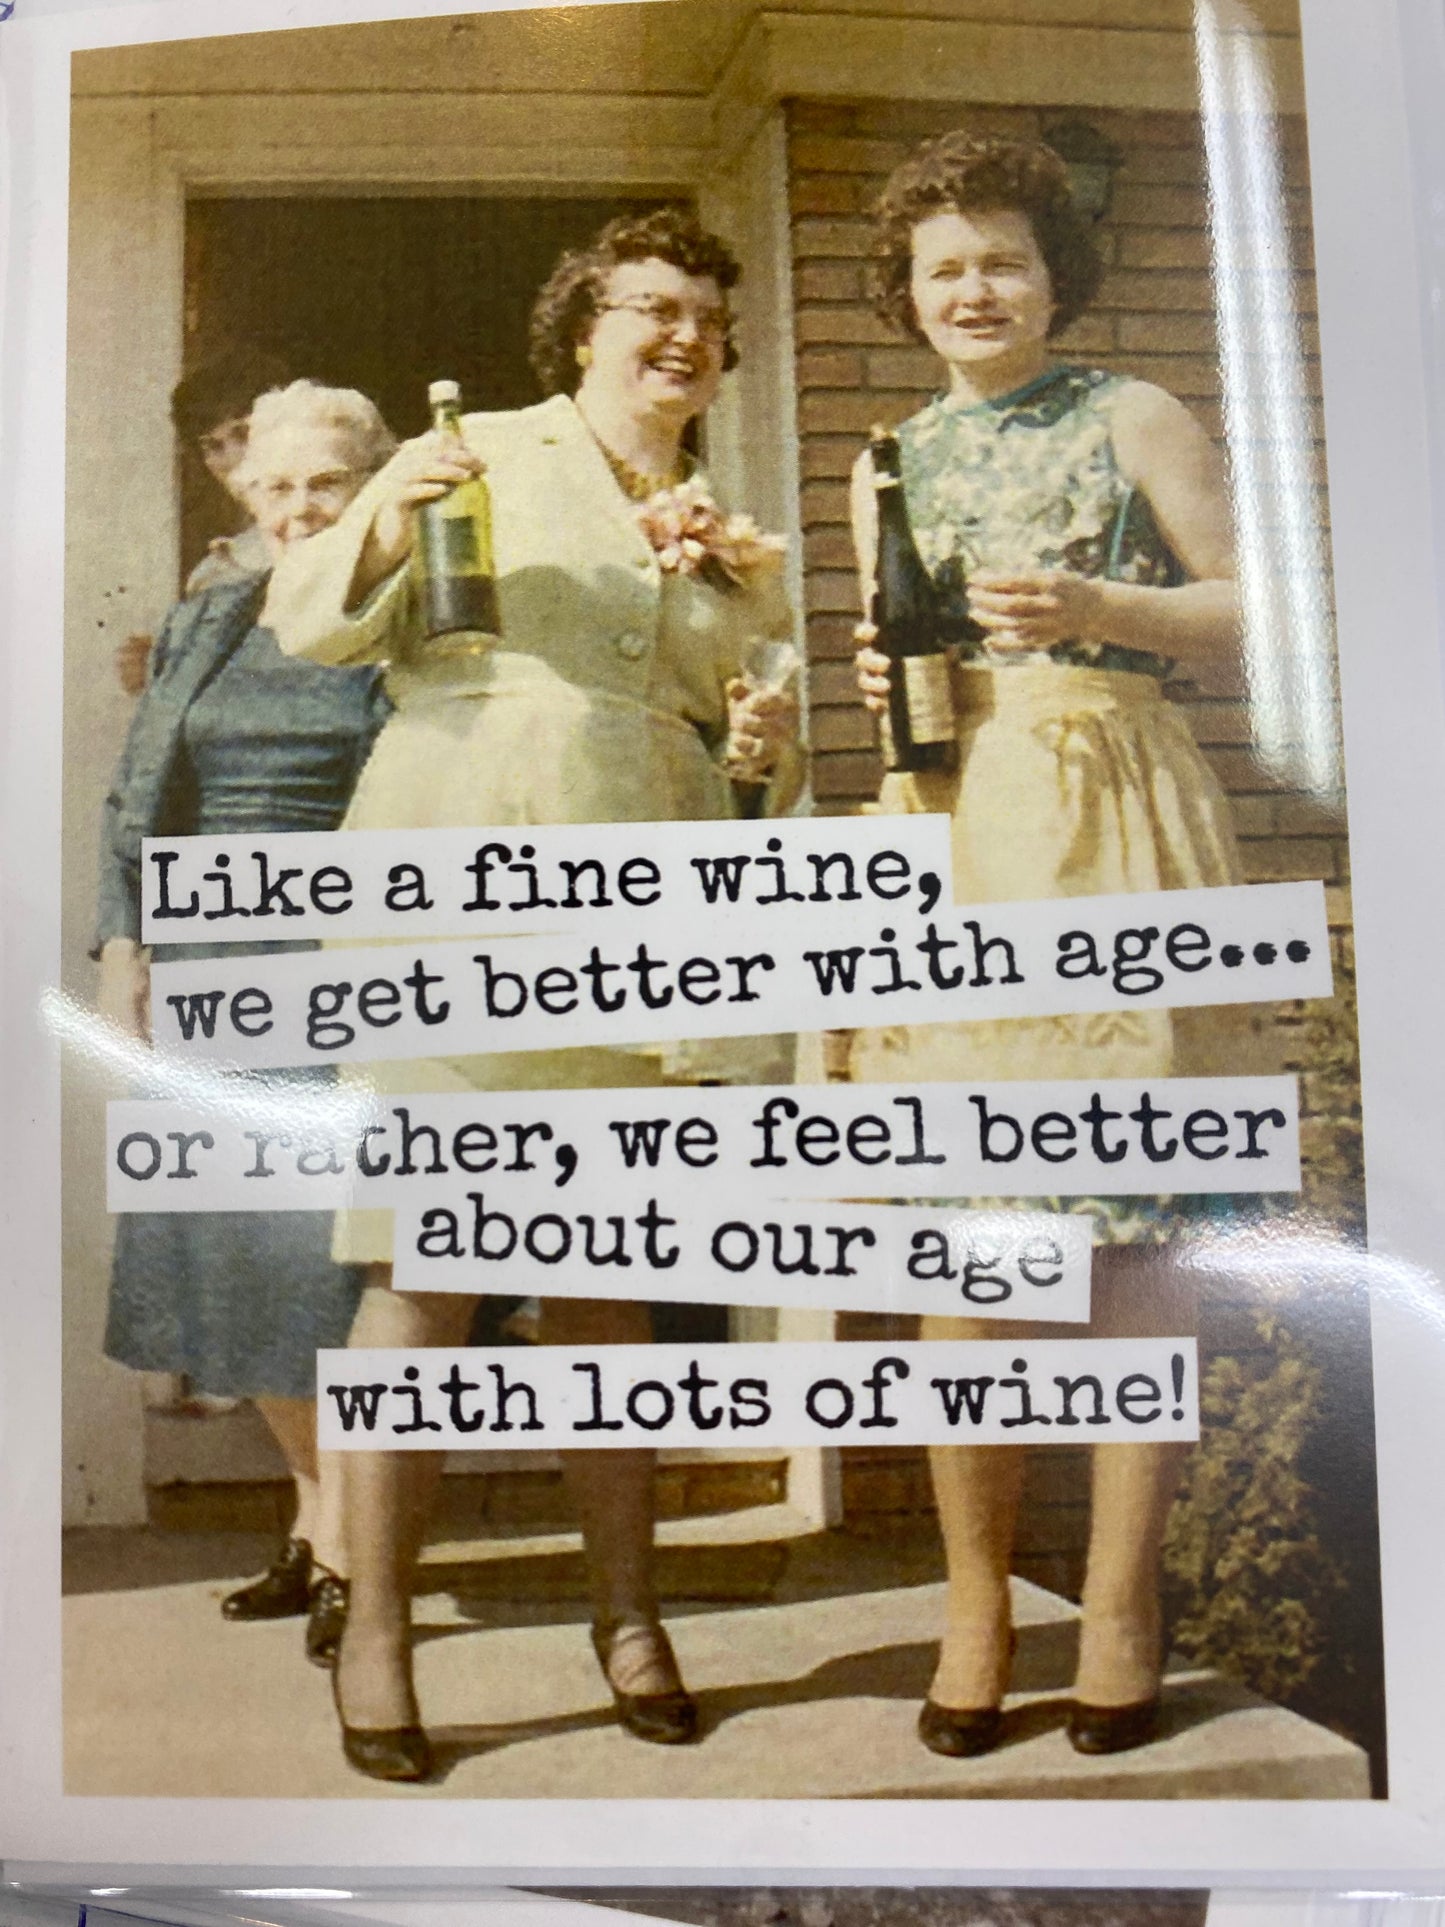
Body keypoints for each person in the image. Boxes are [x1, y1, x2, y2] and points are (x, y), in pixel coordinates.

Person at [264, 206, 801, 1783]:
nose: (683, 334)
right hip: (461, 878)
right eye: (650, 306)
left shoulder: (730, 530)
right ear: (583, 329)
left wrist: (757, 751)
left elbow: (735, 739)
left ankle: (627, 1616)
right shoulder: (478, 447)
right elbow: (310, 621)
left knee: (604, 1281)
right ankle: (376, 1629)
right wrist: (384, 509)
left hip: (648, 914)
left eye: (706, 315)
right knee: (424, 1270)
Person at [845, 132, 1270, 1758]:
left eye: (1004, 261)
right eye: (944, 267)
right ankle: (976, 1603)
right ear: (906, 294)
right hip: (956, 832)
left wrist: (1106, 609)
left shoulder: (1131, 412)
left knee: (1130, 1234)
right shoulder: (886, 457)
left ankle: (1118, 1602)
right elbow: (900, 658)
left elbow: (1257, 608)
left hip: (1115, 816)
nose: (976, 290)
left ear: (1053, 276)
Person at [97, 380, 396, 1664]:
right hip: (211, 965)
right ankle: (319, 1522)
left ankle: (354, 1550)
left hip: (343, 964)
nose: (298, 507)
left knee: (320, 1271)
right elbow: (138, 792)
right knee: (229, 1261)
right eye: (274, 485)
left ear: (373, 487)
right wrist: (124, 945)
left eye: (325, 482)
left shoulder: (406, 620)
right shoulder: (209, 617)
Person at [114, 345, 291, 697]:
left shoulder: (353, 534)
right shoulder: (216, 572)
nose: (233, 459)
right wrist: (166, 666)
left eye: (244, 433)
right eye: (213, 446)